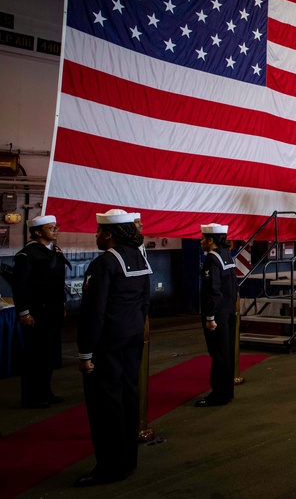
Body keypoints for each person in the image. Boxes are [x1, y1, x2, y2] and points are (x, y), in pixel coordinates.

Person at [75, 209, 151, 487]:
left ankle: (110, 467)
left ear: (108, 234)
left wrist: (85, 353)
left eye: (98, 232)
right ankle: (128, 460)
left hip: (107, 346)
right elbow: (145, 301)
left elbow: (94, 312)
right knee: (128, 399)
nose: (96, 236)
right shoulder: (138, 258)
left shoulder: (104, 264)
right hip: (132, 341)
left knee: (105, 408)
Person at [12, 215, 71, 408]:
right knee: (34, 355)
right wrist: (24, 313)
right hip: (37, 311)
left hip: (53, 310)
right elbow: (20, 286)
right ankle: (30, 397)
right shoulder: (27, 255)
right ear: (38, 232)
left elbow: (58, 283)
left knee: (48, 354)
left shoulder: (55, 251)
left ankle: (45, 391)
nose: (56, 230)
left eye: (56, 226)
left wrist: (62, 305)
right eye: (50, 227)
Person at [197, 223, 237, 408]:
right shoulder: (227, 255)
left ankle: (219, 394)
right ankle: (227, 391)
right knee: (226, 354)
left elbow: (213, 289)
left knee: (219, 354)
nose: (201, 241)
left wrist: (210, 317)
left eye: (203, 238)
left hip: (218, 314)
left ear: (210, 240)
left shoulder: (212, 259)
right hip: (228, 310)